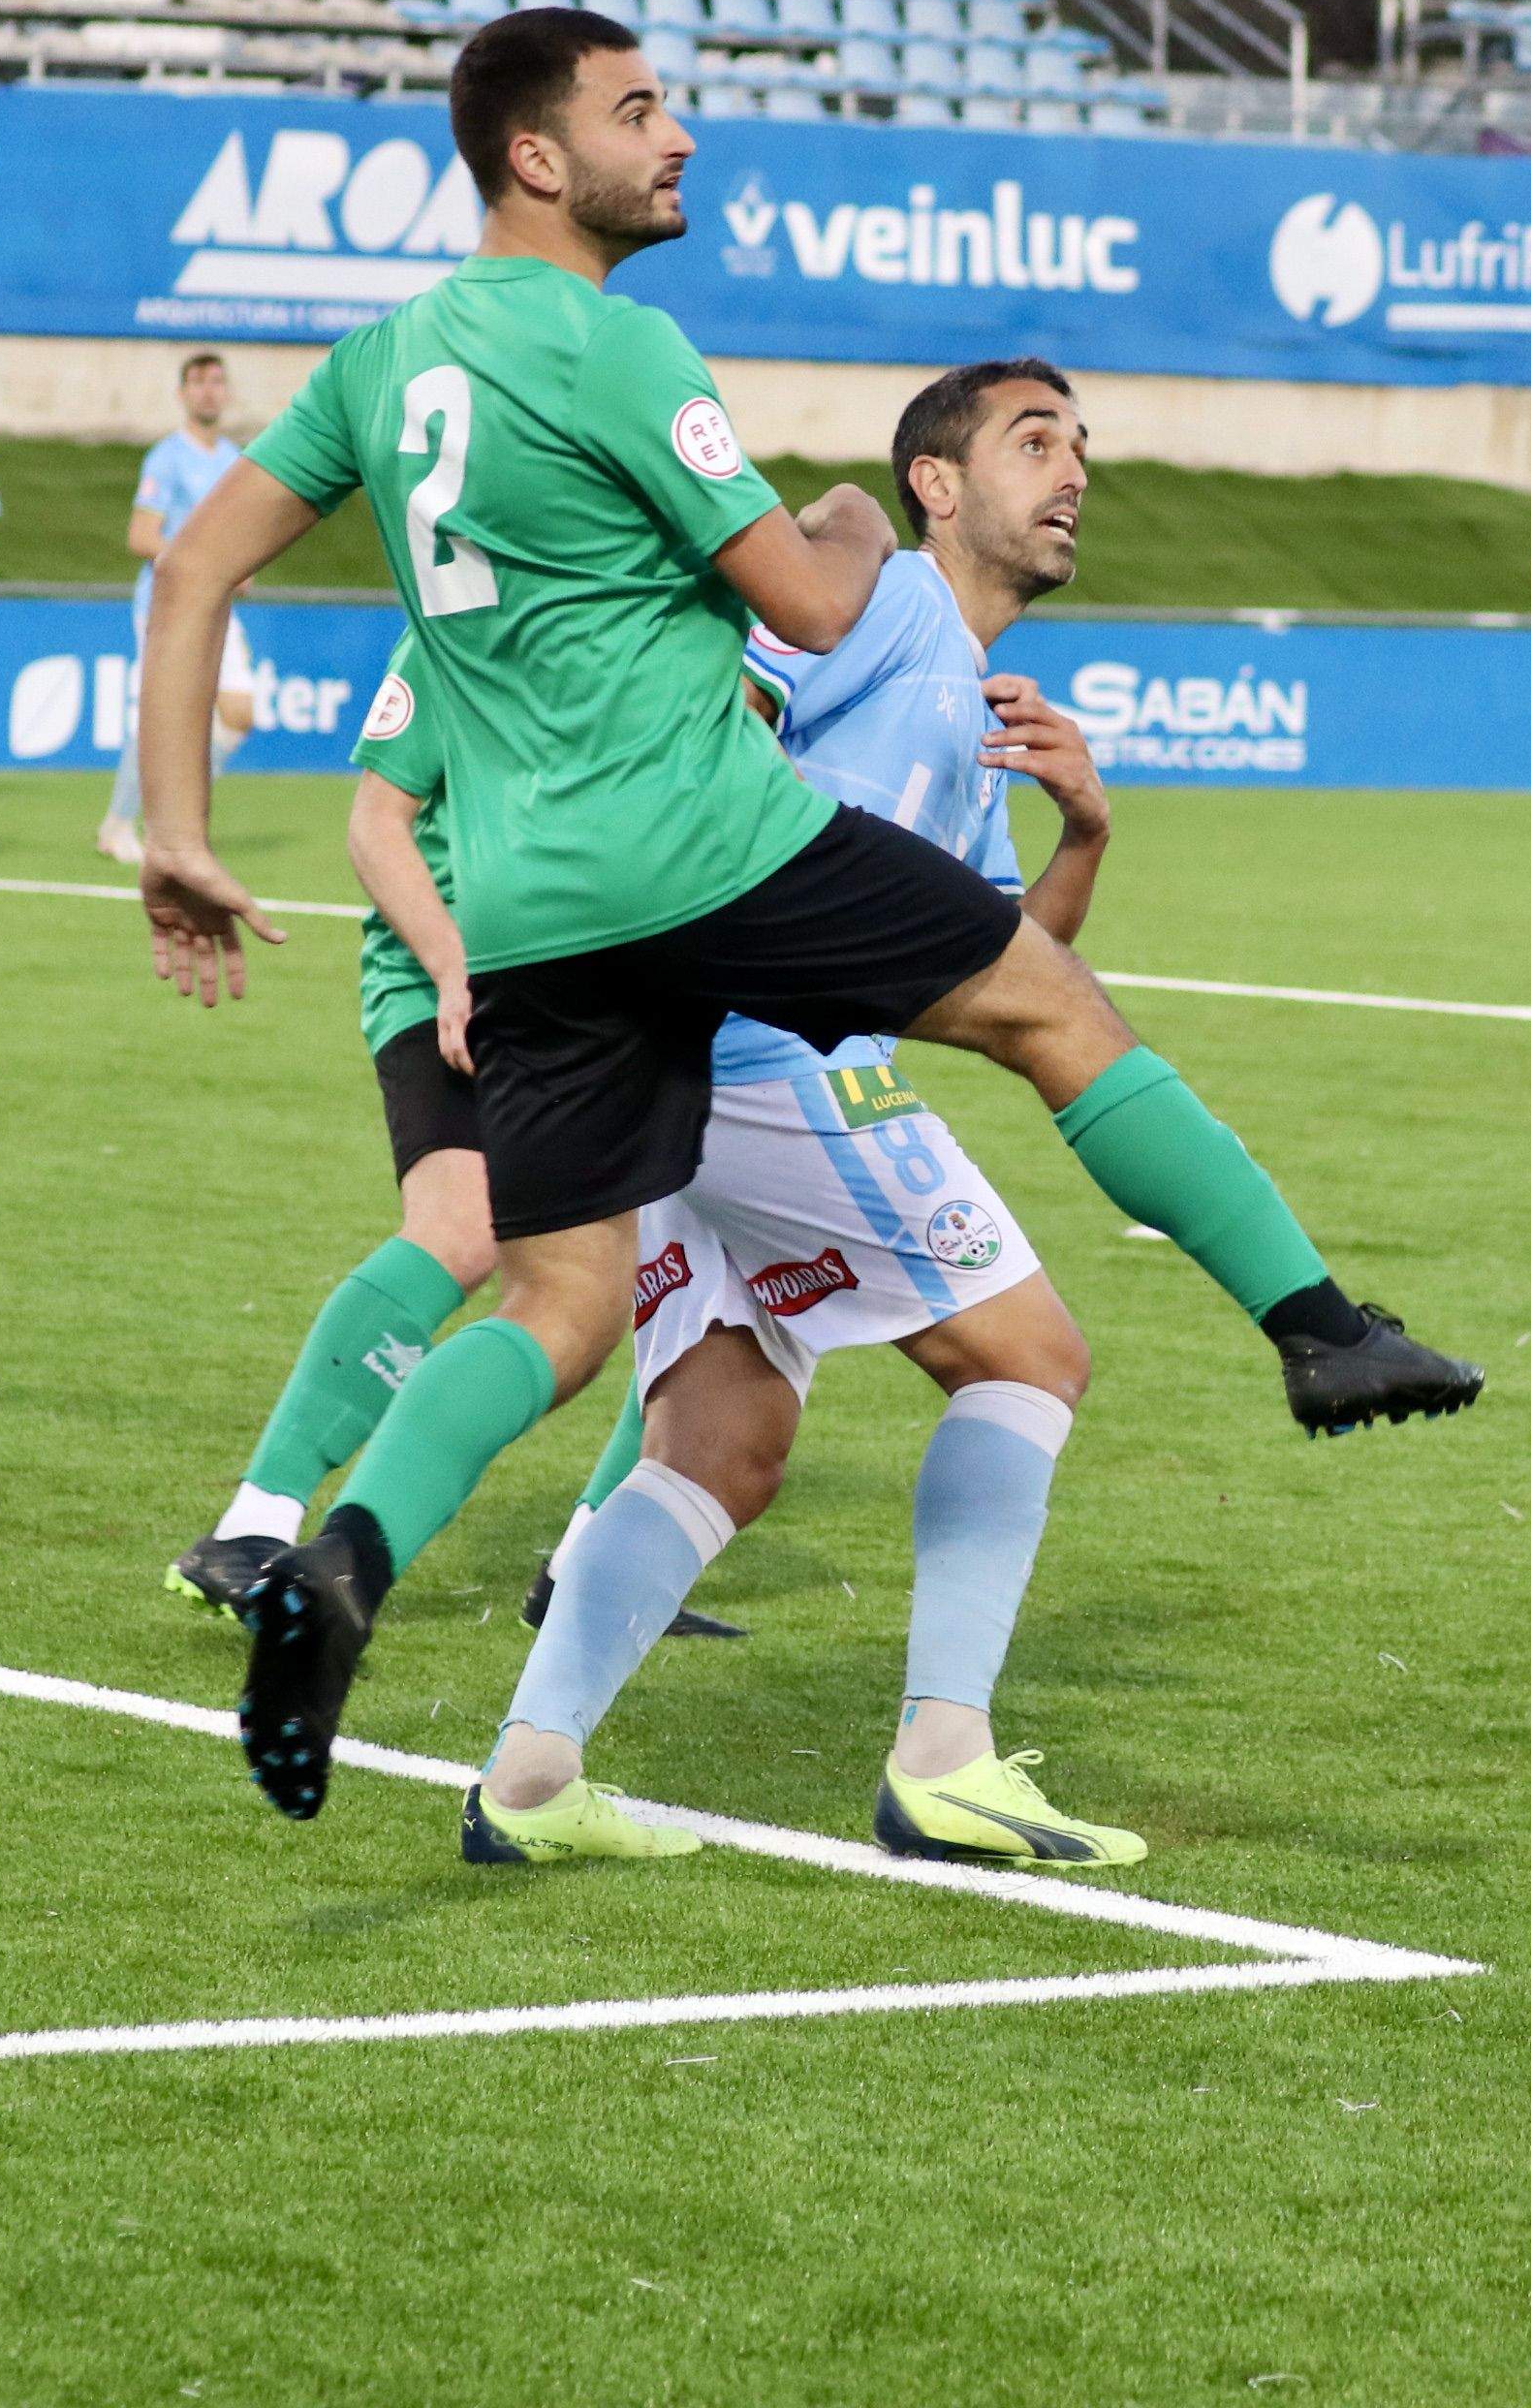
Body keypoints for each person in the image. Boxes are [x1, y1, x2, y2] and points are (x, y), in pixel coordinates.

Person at [128, 8, 1481, 1825]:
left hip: (528, 906)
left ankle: (344, 1557)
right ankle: (1316, 1324)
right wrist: (842, 512)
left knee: (558, 1299)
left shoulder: (376, 365)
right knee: (1050, 1014)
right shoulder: (617, 347)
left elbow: (197, 565)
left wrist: (178, 836)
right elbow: (813, 603)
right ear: (538, 157)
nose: (674, 139)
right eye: (636, 111)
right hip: (703, 845)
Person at [478, 357, 1137, 1869]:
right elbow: (704, 723)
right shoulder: (874, 601)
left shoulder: (968, 714)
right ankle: (944, 1756)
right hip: (766, 1054)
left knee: (727, 1436)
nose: (1075, 470)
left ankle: (528, 1773)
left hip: (688, 1071)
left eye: (1084, 444)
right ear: (937, 484)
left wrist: (1085, 829)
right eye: (1036, 441)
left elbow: (998, 978)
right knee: (1031, 1356)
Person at [163, 624, 503, 1621]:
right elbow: (374, 825)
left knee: (652, 1250)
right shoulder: (463, 622)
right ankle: (257, 1518)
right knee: (465, 1227)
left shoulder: (655, 596)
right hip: (443, 965)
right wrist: (450, 964)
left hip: (577, 970)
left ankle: (596, 1554)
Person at [100, 352, 255, 868]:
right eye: (198, 383)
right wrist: (207, 565)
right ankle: (119, 824)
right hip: (167, 607)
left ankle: (173, 817)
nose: (209, 391)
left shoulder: (236, 459)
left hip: (218, 604)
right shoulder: (167, 458)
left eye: (216, 382)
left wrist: (241, 564)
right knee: (159, 717)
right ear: (183, 393)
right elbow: (141, 535)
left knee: (238, 714)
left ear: (226, 392)